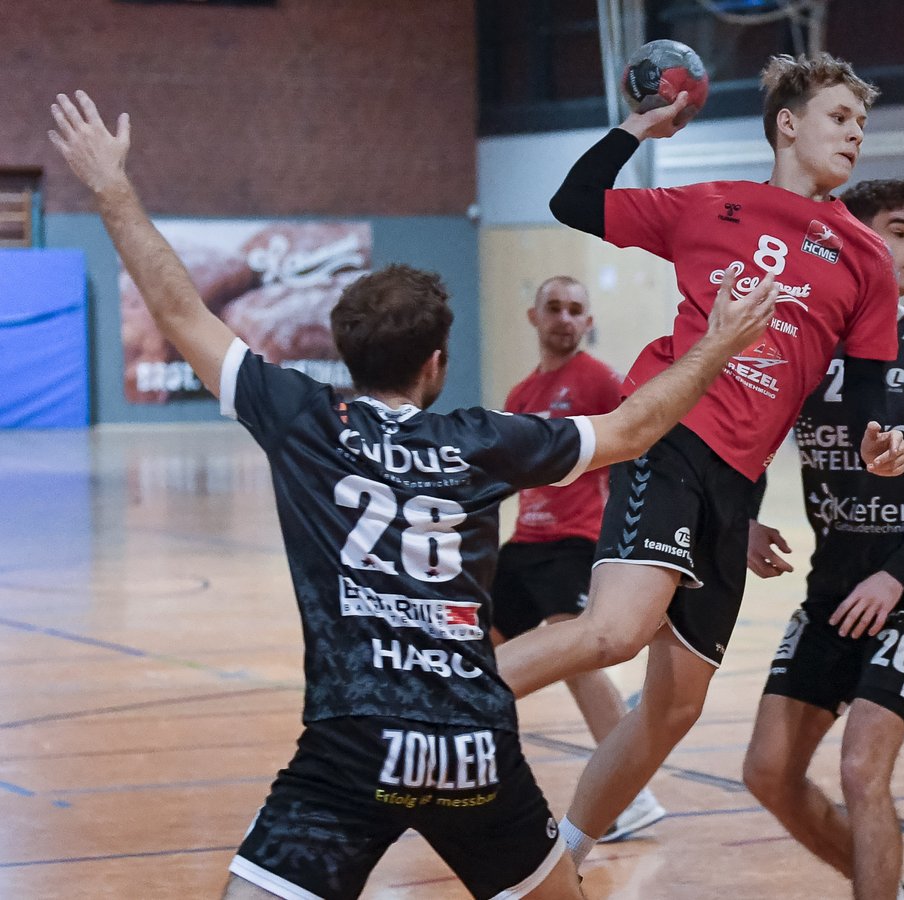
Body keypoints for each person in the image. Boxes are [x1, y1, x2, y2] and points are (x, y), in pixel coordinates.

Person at [47, 90, 775, 900]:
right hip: (474, 744)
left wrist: (111, 186)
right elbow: (636, 428)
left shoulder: (301, 419)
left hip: (355, 740)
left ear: (344, 353)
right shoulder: (485, 437)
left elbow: (179, 309)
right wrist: (718, 343)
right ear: (436, 362)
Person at [493, 52, 904, 868]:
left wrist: (880, 446)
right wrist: (637, 126)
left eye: (862, 123)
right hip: (670, 437)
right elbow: (573, 201)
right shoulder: (710, 204)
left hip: (736, 484)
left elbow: (866, 401)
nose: (855, 134)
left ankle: (562, 862)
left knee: (675, 706)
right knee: (615, 631)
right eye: (839, 117)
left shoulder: (864, 259)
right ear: (787, 124)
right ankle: (430, 700)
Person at [742, 179, 904, 900]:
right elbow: (751, 441)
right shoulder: (802, 342)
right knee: (766, 771)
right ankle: (891, 886)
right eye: (901, 230)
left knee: (860, 770)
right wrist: (748, 516)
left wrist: (896, 577)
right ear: (855, 240)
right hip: (832, 589)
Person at [491, 275, 666, 843]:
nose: (565, 318)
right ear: (533, 317)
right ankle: (464, 773)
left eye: (576, 310)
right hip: (523, 547)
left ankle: (633, 798)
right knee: (471, 653)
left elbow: (644, 433)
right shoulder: (521, 395)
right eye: (555, 308)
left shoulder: (597, 380)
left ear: (587, 322)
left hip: (576, 542)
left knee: (577, 658)